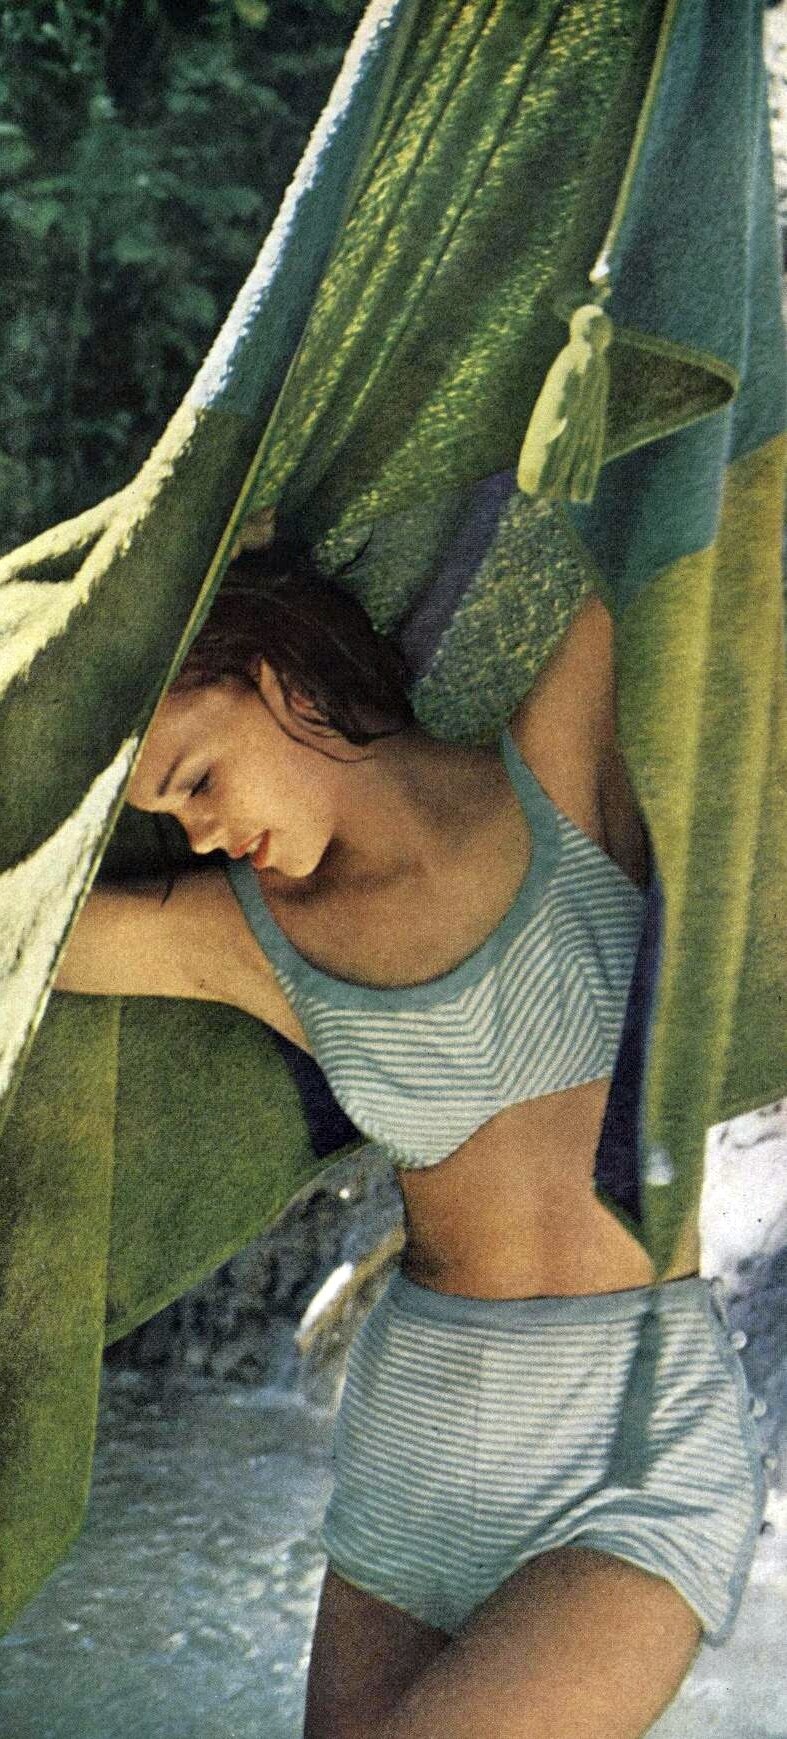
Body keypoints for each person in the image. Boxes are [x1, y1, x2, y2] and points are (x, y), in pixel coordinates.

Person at [57, 534, 765, 1739]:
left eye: (197, 777)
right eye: (172, 813)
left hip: (630, 1454)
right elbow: (29, 940)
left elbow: (657, 487)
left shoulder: (554, 781)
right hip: (411, 1460)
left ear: (276, 680)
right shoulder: (256, 938)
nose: (203, 832)